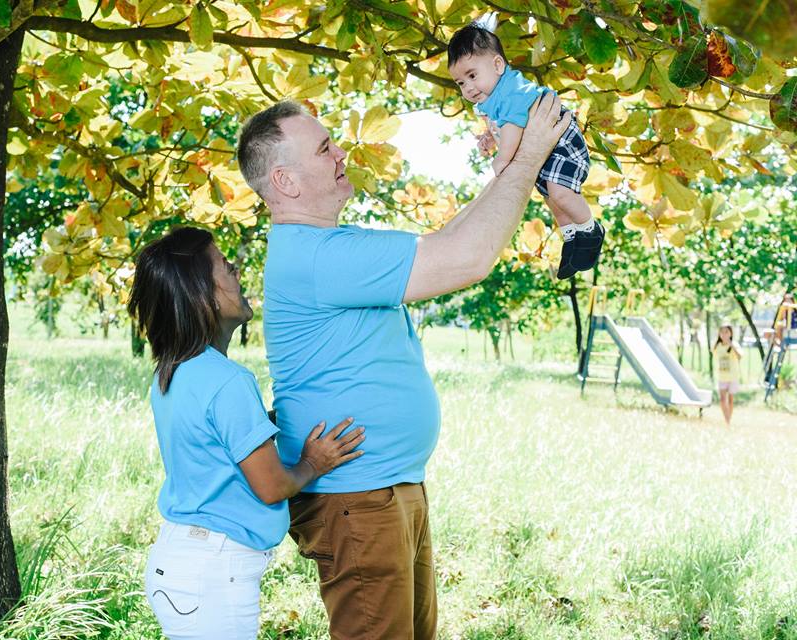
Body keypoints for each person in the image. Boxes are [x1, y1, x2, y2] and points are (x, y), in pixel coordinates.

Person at [236, 93, 569, 638]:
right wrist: (529, 157)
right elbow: (467, 258)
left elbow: (448, 241)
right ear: (286, 182)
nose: (341, 151)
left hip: (383, 489)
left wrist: (509, 167)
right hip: (357, 499)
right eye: (324, 148)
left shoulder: (330, 246)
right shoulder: (317, 257)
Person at [127, 226, 365, 640]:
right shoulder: (228, 380)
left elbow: (212, 444)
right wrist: (313, 462)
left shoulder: (173, 371)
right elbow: (271, 486)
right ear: (202, 295)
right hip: (213, 574)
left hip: (180, 563)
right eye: (227, 266)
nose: (238, 273)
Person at [447, 21, 605, 280]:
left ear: (498, 65)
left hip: (561, 138)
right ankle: (571, 240)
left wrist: (503, 158)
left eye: (472, 76)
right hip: (544, 146)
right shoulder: (490, 99)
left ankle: (590, 230)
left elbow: (513, 128)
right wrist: (489, 137)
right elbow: (500, 128)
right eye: (461, 83)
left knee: (561, 194)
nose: (468, 88)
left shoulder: (511, 90)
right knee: (552, 200)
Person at [712, 324, 742, 425]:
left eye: (726, 332)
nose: (724, 334)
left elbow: (740, 356)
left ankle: (728, 420)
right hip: (722, 377)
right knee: (722, 400)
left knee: (730, 400)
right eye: (722, 332)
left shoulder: (734, 345)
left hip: (733, 376)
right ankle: (727, 420)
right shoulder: (717, 346)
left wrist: (732, 345)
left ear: (731, 333)